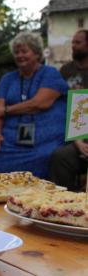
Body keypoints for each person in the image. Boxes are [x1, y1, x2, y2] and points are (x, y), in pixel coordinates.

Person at [0, 32, 69, 179]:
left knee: (44, 157)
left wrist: (7, 110)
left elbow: (40, 103)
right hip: (11, 140)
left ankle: (35, 199)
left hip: (45, 141)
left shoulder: (50, 74)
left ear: (36, 53)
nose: (19, 55)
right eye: (16, 52)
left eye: (24, 51)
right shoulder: (7, 79)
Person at [49, 29, 88, 190]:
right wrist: (78, 140)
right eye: (72, 42)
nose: (73, 46)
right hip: (73, 131)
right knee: (60, 156)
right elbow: (60, 106)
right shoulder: (65, 71)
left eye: (77, 42)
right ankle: (66, 201)